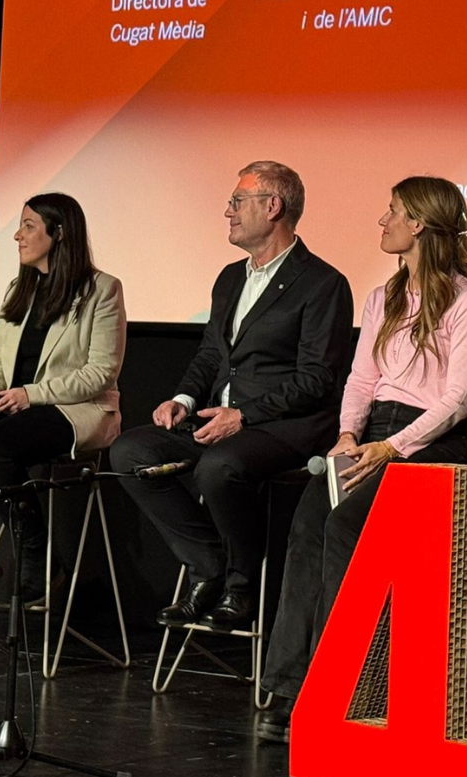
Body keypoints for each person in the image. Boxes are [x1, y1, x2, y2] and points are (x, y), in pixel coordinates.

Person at [257, 176, 467, 743]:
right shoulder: (383, 297)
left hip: (434, 442)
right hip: (374, 436)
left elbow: (458, 400)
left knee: (346, 524)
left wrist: (393, 446)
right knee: (309, 520)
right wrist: (347, 434)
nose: (382, 221)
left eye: (391, 212)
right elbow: (362, 379)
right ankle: (290, 687)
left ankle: (335, 687)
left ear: (418, 224)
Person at [110, 161, 353, 631]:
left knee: (219, 466)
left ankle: (242, 585)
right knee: (130, 452)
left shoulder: (323, 284)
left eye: (237, 201)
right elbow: (211, 355)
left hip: (285, 426)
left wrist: (242, 415)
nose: (228, 211)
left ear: (273, 206)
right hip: (220, 419)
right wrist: (183, 397)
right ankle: (209, 565)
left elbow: (317, 379)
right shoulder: (229, 277)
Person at [0, 192, 125, 603]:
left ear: (59, 232)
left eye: (29, 226)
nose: (18, 235)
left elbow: (100, 372)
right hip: (15, 402)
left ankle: (38, 555)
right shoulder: (21, 287)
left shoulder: (101, 290)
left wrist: (30, 395)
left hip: (74, 409)